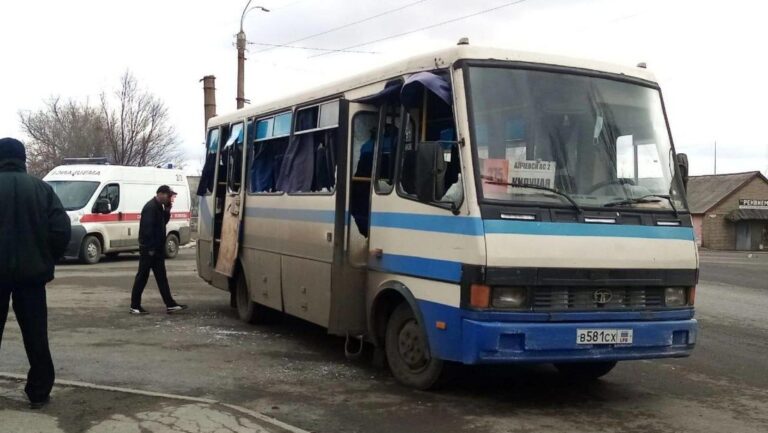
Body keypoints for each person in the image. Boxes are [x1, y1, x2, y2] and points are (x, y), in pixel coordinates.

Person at [0, 137, 71, 409]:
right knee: (35, 334)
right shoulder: (42, 189)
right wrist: (46, 258)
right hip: (32, 276)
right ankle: (39, 392)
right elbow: (62, 230)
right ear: (23, 159)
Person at [130, 185, 187, 315]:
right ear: (160, 194)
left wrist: (167, 211)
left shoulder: (159, 207)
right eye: (168, 196)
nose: (169, 199)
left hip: (157, 249)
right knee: (142, 277)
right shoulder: (150, 207)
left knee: (161, 277)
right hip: (149, 249)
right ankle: (134, 305)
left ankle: (170, 304)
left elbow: (162, 223)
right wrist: (149, 248)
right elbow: (147, 229)